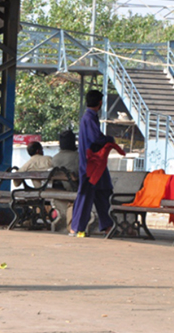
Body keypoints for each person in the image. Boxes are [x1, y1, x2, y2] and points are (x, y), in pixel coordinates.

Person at [69, 90, 117, 237]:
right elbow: (96, 139)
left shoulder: (89, 118)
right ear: (100, 103)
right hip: (91, 165)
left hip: (96, 164)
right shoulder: (89, 118)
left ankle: (108, 226)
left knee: (103, 192)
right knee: (86, 194)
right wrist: (109, 139)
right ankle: (76, 227)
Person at [51, 130, 79, 231]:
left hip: (57, 188)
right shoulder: (77, 157)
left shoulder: (55, 158)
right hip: (71, 189)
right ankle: (73, 227)